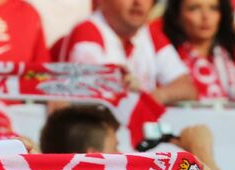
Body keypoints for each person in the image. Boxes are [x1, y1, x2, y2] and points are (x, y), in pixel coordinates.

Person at [58, 0, 198, 104]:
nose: (138, 2)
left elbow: (188, 88)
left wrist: (155, 97)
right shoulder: (87, 31)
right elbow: (95, 93)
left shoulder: (150, 34)